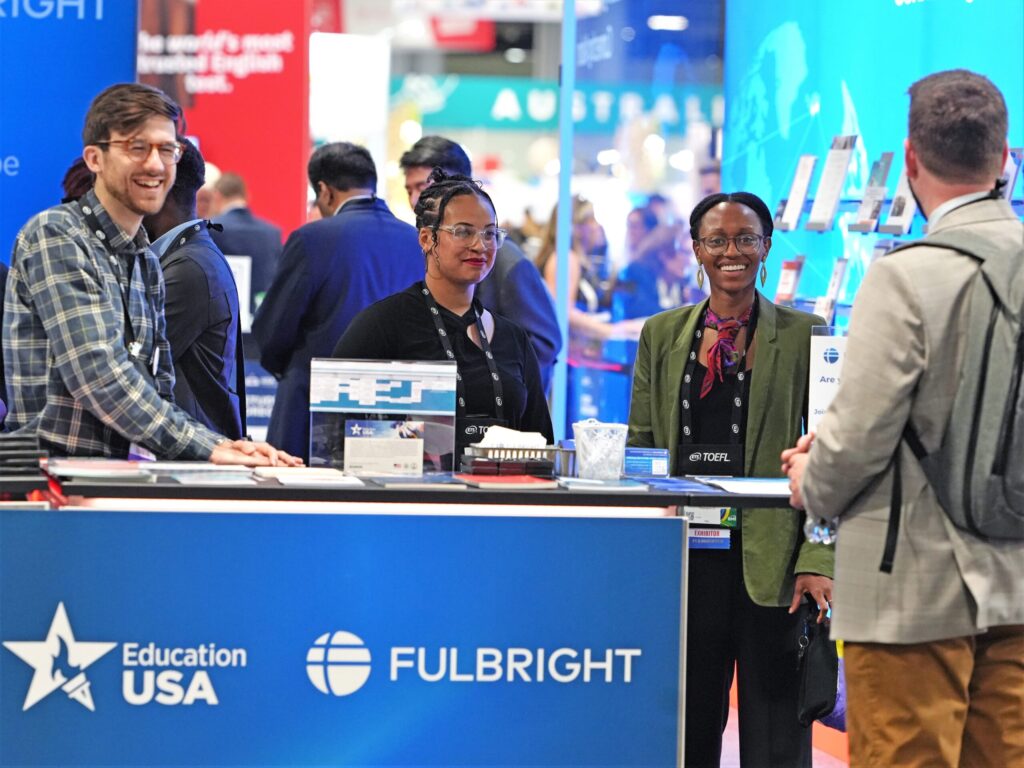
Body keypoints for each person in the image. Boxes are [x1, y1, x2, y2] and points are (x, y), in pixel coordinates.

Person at [784, 69, 1024, 768]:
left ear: (911, 161)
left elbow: (854, 441)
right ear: (1004, 158)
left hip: (909, 592)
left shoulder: (904, 275)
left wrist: (810, 476)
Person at [628, 191, 833, 767]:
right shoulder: (662, 334)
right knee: (685, 729)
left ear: (766, 247)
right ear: (697, 249)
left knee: (774, 738)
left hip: (774, 564)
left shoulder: (804, 333)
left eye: (746, 238)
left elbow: (830, 457)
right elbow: (642, 445)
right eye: (716, 240)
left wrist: (820, 558)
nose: (731, 252)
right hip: (687, 560)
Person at [2, 83, 297, 466]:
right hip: (55, 483)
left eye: (167, 149)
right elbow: (100, 377)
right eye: (137, 148)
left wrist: (223, 444)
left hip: (118, 480)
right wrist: (209, 447)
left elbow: (158, 392)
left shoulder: (145, 258)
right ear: (94, 158)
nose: (155, 165)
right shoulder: (57, 235)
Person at [334, 169, 553, 463]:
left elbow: (540, 441)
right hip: (414, 499)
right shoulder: (383, 325)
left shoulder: (513, 338)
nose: (480, 245)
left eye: (489, 233)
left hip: (503, 499)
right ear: (427, 239)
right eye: (463, 231)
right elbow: (336, 432)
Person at [253, 141, 423, 461]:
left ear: (324, 191)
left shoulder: (313, 238)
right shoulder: (417, 240)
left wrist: (289, 367)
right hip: (398, 415)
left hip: (311, 411)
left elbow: (273, 328)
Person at [399, 136, 561, 391]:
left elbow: (543, 343)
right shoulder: (421, 248)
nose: (414, 201)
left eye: (423, 187)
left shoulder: (502, 257)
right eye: (410, 190)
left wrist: (495, 390)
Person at [143, 137, 244, 439]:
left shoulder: (190, 269)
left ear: (163, 189)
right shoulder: (188, 257)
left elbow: (133, 366)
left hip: (191, 459)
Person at [535, 197, 643, 340]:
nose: (597, 226)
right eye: (591, 220)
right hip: (569, 356)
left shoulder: (576, 259)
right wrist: (612, 330)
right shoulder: (566, 258)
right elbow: (563, 312)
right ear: (576, 228)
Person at [209, 171, 282, 315]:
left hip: (223, 320)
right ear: (246, 196)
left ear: (216, 196)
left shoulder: (211, 229)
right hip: (260, 320)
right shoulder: (273, 233)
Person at [614, 230, 704, 320]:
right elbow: (641, 319)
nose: (691, 261)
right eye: (686, 253)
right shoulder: (636, 275)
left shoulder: (684, 284)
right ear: (664, 255)